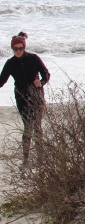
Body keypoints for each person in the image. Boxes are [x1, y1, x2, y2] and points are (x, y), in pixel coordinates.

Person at [0, 34, 50, 169]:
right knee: (28, 127)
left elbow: (46, 74)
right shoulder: (10, 63)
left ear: (24, 47)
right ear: (12, 48)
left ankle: (40, 159)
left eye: (20, 48)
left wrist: (42, 82)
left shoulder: (33, 59)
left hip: (36, 96)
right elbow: (1, 80)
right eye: (15, 49)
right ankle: (26, 160)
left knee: (37, 127)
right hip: (21, 98)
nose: (18, 51)